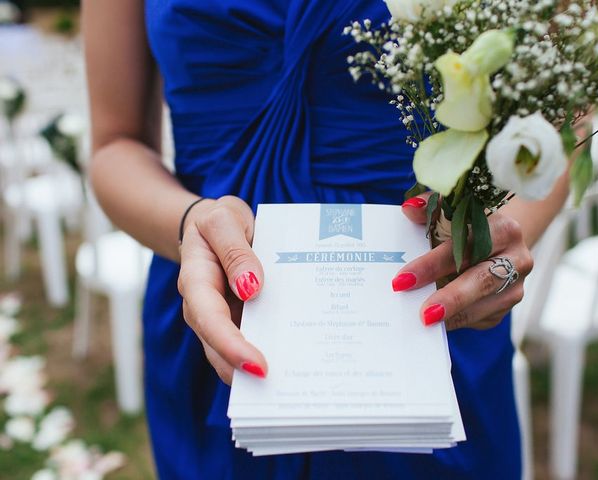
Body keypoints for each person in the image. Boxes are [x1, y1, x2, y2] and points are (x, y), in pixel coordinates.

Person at [83, 1, 568, 478]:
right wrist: (192, 222)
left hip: (432, 303)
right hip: (216, 302)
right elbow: (115, 144)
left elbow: (563, 119)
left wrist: (493, 240)